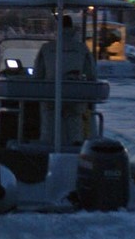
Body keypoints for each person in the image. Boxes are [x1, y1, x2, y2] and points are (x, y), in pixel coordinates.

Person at [33, 15, 97, 145]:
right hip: (74, 96)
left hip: (50, 96)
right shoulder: (81, 48)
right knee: (75, 128)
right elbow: (91, 74)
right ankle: (75, 153)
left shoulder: (47, 48)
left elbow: (37, 76)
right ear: (72, 28)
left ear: (58, 28)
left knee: (48, 127)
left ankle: (46, 153)